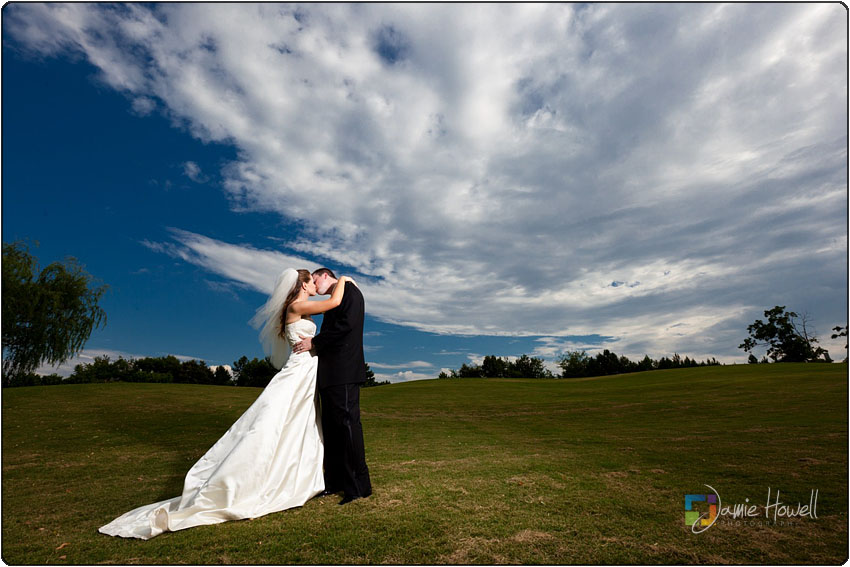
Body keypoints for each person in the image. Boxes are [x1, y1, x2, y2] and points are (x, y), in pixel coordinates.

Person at [98, 268, 350, 540]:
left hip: (306, 375)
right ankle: (243, 480)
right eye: (312, 281)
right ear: (302, 284)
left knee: (297, 425)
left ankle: (294, 477)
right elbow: (335, 302)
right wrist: (345, 280)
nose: (315, 284)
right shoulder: (297, 305)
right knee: (270, 423)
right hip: (297, 372)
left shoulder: (303, 308)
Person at [292, 268, 372, 505]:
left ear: (324, 275)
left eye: (316, 281)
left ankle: (358, 486)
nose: (315, 288)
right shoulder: (334, 298)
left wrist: (314, 342)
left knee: (347, 427)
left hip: (344, 372)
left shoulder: (350, 292)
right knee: (332, 430)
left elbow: (345, 327)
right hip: (330, 374)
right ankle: (335, 481)